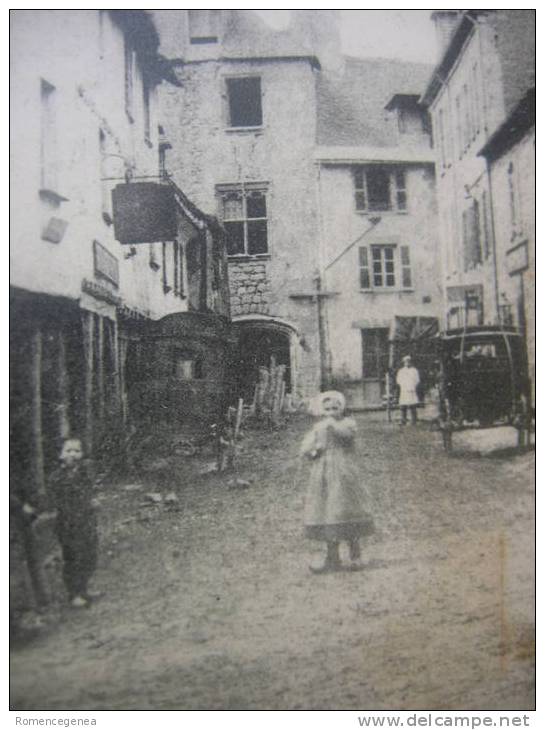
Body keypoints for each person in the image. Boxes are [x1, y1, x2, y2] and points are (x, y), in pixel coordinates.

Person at [300, 391, 374, 573]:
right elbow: (307, 447)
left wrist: (332, 424)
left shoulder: (347, 424)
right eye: (327, 409)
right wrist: (313, 451)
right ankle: (332, 557)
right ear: (322, 410)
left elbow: (347, 436)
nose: (331, 412)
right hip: (324, 472)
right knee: (327, 509)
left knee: (345, 508)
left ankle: (355, 553)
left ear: (341, 409)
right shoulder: (319, 427)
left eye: (335, 408)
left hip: (343, 471)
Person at [49, 438, 99, 608]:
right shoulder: (57, 477)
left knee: (90, 555)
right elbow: (58, 501)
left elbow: (90, 491)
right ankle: (74, 593)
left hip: (86, 521)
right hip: (68, 524)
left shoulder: (84, 473)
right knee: (73, 558)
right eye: (68, 451)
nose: (73, 455)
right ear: (61, 455)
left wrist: (92, 501)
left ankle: (84, 588)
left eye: (77, 451)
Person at [396, 355, 420, 425]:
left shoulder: (414, 370)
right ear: (403, 362)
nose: (407, 363)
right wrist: (403, 385)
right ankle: (403, 420)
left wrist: (412, 386)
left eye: (409, 361)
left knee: (412, 405)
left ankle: (414, 420)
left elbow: (417, 380)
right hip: (404, 390)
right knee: (403, 405)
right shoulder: (401, 371)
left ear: (411, 362)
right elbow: (398, 380)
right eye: (406, 362)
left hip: (412, 389)